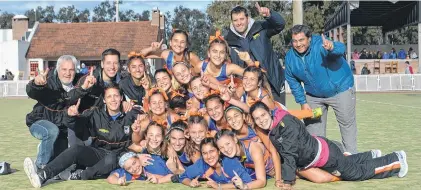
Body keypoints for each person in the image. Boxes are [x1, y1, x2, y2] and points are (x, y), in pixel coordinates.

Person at [249, 102, 408, 190]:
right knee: (349, 164)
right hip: (323, 151)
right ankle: (371, 155)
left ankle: (396, 160)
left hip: (326, 156)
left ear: (269, 112)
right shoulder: (275, 125)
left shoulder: (284, 125)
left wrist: (288, 181)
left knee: (357, 174)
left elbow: (290, 154)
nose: (261, 120)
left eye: (263, 115)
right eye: (257, 119)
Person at [24, 85, 143, 188]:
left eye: (116, 96)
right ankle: (43, 175)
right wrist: (71, 116)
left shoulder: (131, 114)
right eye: (109, 96)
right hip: (99, 152)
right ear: (105, 100)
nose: (113, 99)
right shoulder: (95, 113)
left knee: (111, 158)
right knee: (76, 149)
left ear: (121, 98)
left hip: (120, 156)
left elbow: (146, 120)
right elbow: (77, 124)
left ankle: (82, 174)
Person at [285, 25, 357, 153]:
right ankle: (323, 159)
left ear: (309, 39)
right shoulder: (290, 57)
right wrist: (303, 102)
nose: (298, 44)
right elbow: (293, 81)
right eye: (295, 41)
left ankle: (352, 159)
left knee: (347, 126)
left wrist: (332, 47)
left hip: (340, 89)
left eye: (302, 40)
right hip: (313, 97)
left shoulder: (321, 45)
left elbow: (340, 49)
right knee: (314, 136)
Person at [25, 55, 82, 170]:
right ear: (57, 69)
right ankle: (40, 167)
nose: (68, 73)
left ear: (75, 71)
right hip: (39, 122)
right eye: (64, 69)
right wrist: (35, 83)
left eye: (71, 70)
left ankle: (46, 148)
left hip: (61, 127)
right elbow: (32, 92)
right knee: (51, 131)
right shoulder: (48, 81)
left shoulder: (79, 84)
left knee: (60, 163)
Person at [225, 3, 286, 105]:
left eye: (241, 19)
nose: (239, 23)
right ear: (232, 22)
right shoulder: (228, 41)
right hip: (248, 90)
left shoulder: (260, 27)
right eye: (235, 20)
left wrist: (269, 14)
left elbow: (280, 25)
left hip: (273, 83)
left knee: (280, 116)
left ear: (247, 19)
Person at [177, 137, 253, 189]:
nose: (209, 156)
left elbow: (247, 182)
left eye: (211, 151)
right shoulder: (202, 164)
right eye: (204, 153)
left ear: (219, 151)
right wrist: (190, 183)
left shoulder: (229, 163)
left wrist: (219, 186)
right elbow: (182, 177)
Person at [107, 152, 173, 185]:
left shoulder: (153, 163)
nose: (134, 168)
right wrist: (118, 181)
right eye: (129, 168)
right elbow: (111, 177)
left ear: (139, 158)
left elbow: (174, 175)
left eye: (134, 163)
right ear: (125, 169)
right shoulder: (126, 173)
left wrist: (159, 180)